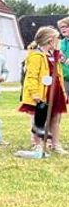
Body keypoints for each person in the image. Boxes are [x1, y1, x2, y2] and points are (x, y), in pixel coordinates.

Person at [19, 26, 66, 155]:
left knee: (55, 119)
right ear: (50, 41)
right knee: (39, 120)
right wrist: (35, 93)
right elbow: (31, 76)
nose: (58, 42)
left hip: (55, 92)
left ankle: (55, 144)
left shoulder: (53, 55)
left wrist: (63, 92)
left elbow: (59, 74)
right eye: (57, 39)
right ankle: (37, 144)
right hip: (41, 93)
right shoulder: (36, 56)